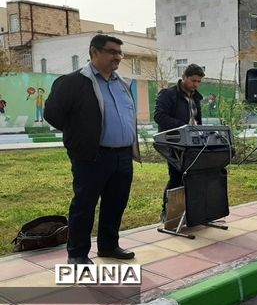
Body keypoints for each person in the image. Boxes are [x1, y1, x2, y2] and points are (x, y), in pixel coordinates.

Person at [44, 34, 139, 264]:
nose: (117, 57)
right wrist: (80, 136)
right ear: (94, 52)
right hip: (92, 156)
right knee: (84, 205)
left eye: (119, 52)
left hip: (123, 155)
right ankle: (77, 254)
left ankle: (108, 246)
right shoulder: (73, 82)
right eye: (112, 52)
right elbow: (53, 115)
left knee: (116, 203)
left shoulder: (122, 84)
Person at [154, 63, 205, 219]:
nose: (196, 85)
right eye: (193, 81)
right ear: (184, 77)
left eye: (199, 82)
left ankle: (187, 211)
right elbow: (159, 116)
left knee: (191, 176)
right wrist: (184, 127)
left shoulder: (196, 97)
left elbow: (197, 120)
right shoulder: (168, 94)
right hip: (173, 142)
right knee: (176, 176)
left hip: (191, 143)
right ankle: (167, 212)